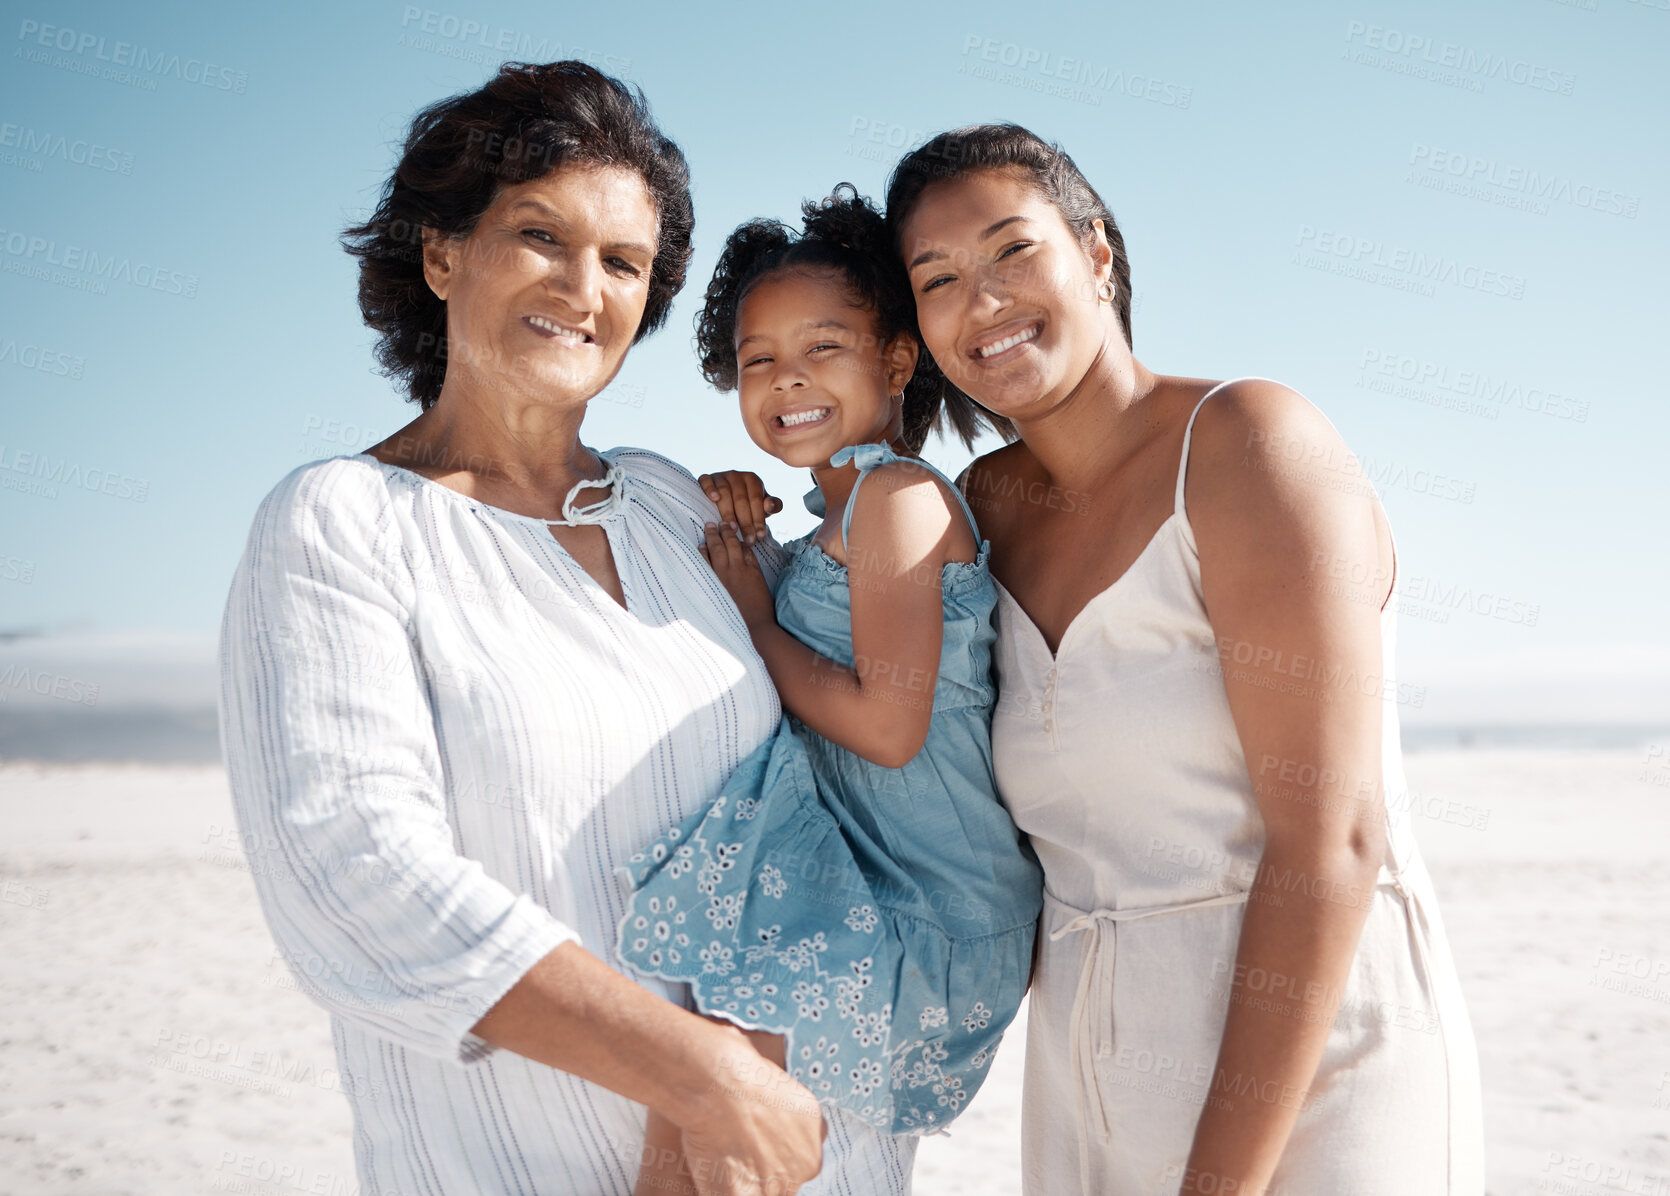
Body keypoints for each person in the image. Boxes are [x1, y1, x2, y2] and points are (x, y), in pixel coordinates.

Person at [219, 61, 857, 1195]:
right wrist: (702, 1077)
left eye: (622, 261)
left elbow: (834, 772)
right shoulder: (342, 524)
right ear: (441, 252)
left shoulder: (673, 501)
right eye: (538, 235)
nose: (583, 284)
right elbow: (357, 880)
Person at [883, 124, 1486, 1195]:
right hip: (1086, 1071)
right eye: (937, 278)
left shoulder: (1251, 443)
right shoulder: (982, 511)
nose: (979, 301)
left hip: (1321, 1065)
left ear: (1097, 253)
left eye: (1011, 251)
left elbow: (1332, 838)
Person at [618, 186, 1043, 1195]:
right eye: (757, 358)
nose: (785, 379)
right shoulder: (841, 515)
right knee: (693, 1109)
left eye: (822, 348)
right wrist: (752, 536)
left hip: (923, 902)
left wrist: (759, 614)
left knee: (719, 1113)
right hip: (868, 877)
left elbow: (885, 726)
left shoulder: (897, 499)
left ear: (897, 360)